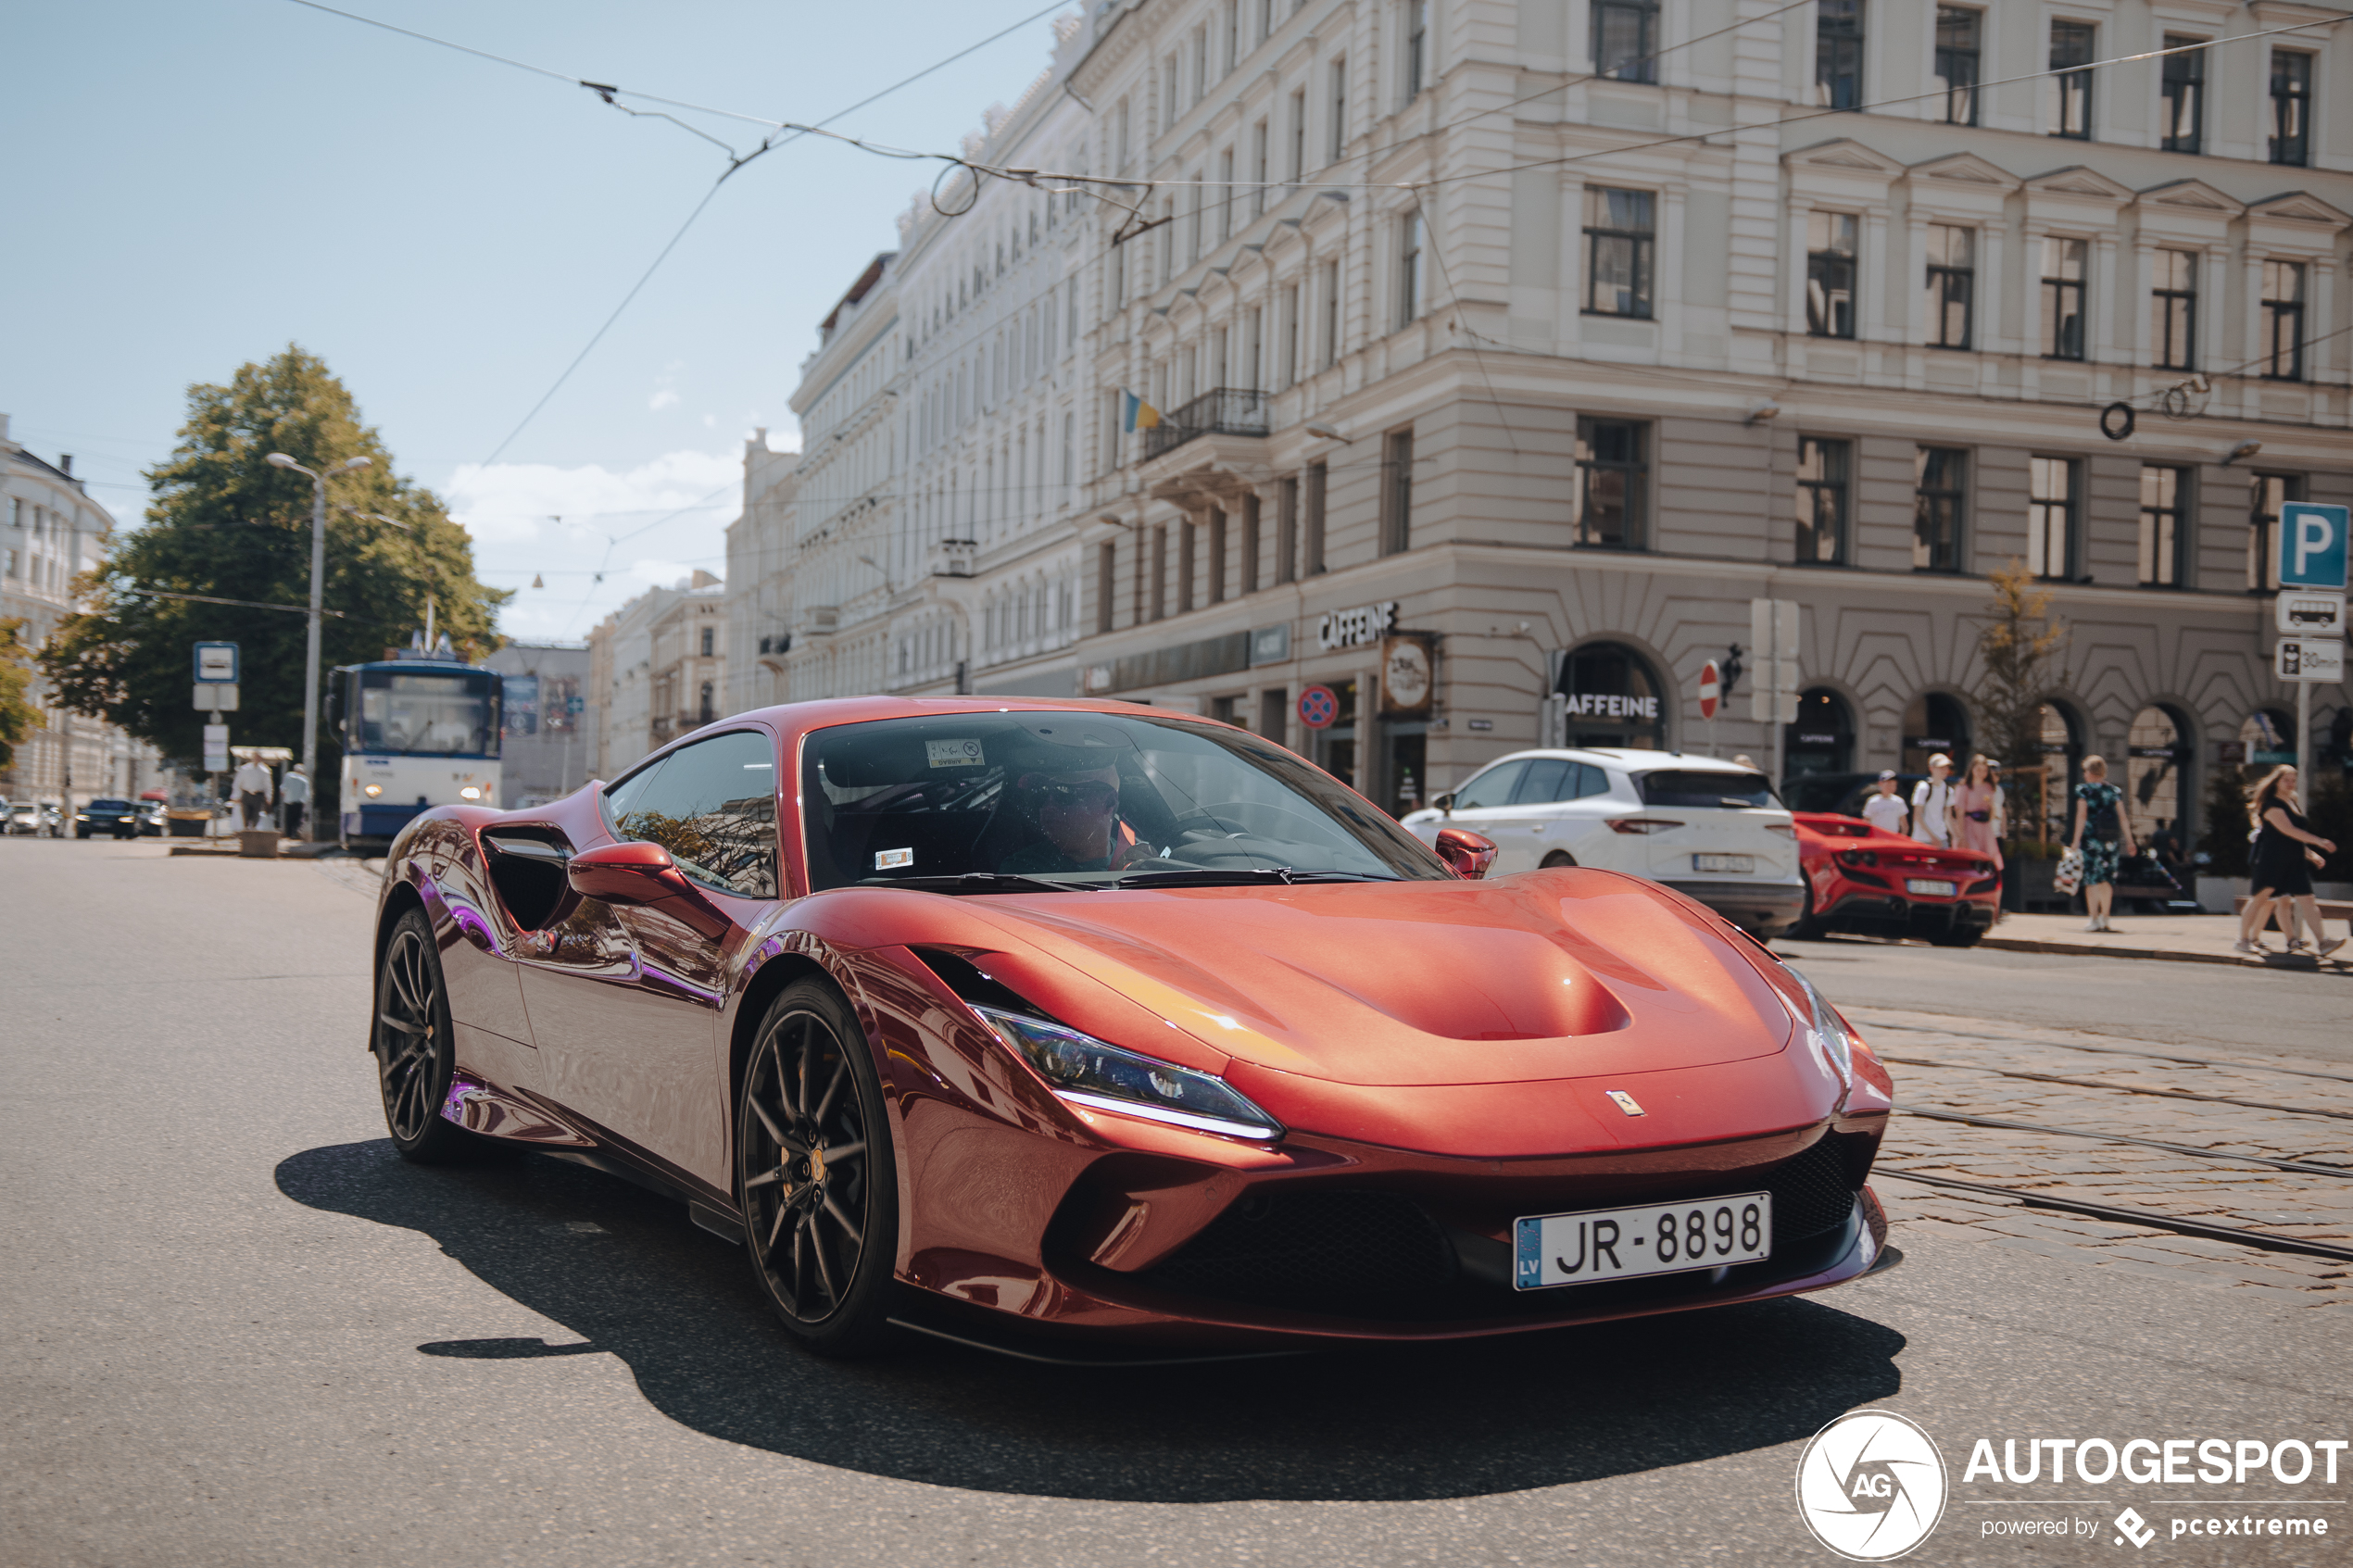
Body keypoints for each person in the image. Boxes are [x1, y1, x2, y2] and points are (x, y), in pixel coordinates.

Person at [2236, 765, 2341, 957]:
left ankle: (2323, 942)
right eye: (2287, 780)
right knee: (2260, 900)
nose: (2291, 783)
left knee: (2308, 900)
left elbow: (2294, 838)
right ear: (2276, 781)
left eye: (2293, 780)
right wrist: (2320, 841)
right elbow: (2289, 831)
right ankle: (2244, 940)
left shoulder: (2292, 802)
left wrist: (2311, 855)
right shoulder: (2271, 805)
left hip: (2294, 862)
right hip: (2272, 861)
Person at [998, 742, 1149, 875]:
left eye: (1064, 793)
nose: (1047, 807)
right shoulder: (1023, 872)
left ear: (1109, 802)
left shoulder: (1140, 863)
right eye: (1042, 793)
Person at [2069, 755, 2134, 933]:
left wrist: (2075, 841)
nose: (2084, 775)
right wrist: (2130, 840)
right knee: (2106, 879)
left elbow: (2081, 816)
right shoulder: (2114, 791)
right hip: (2110, 841)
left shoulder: (2083, 790)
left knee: (2091, 880)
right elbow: (2122, 817)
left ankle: (2094, 918)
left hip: (2091, 840)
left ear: (2090, 772)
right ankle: (2106, 918)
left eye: (2085, 771)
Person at [1956, 753, 2003, 872]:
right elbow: (1960, 812)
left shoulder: (1988, 787)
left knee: (1989, 857)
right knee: (1974, 854)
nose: (1981, 773)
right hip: (1969, 826)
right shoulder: (1964, 787)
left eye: (1984, 770)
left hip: (1984, 827)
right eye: (1978, 769)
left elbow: (1991, 809)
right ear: (1972, 769)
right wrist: (1961, 835)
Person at [1911, 753, 1957, 847]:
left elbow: (1948, 817)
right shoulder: (1923, 787)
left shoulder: (1948, 791)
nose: (1945, 771)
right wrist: (1933, 837)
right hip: (1922, 839)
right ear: (1931, 768)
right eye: (1941, 767)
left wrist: (1956, 836)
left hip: (1941, 839)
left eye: (1946, 768)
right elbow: (1917, 816)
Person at [231, 755, 274, 832]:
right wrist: (236, 796)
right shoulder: (244, 769)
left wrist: (268, 798)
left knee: (256, 816)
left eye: (259, 757)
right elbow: (237, 783)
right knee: (245, 814)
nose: (257, 759)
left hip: (258, 795)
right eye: (256, 757)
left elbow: (268, 785)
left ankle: (253, 832)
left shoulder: (265, 770)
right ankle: (246, 831)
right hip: (247, 794)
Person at [1860, 770, 1909, 837]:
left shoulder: (1899, 802)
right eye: (1889, 783)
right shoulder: (1873, 802)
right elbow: (1866, 822)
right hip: (1877, 838)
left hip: (1893, 838)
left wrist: (1901, 838)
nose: (1891, 786)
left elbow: (1904, 825)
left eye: (1894, 784)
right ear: (1880, 783)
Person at [279, 764, 309, 839]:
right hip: (298, 802)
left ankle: (289, 834)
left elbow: (283, 787)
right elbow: (306, 793)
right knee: (297, 819)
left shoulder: (288, 776)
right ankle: (295, 834)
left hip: (289, 801)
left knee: (289, 819)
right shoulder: (304, 779)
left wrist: (283, 793)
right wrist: (304, 801)